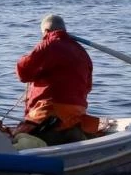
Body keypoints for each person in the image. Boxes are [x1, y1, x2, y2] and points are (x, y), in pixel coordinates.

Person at [14, 14, 98, 145]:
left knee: (17, 137)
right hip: (76, 114)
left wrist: (25, 58)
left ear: (46, 31)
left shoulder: (47, 45)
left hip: (49, 114)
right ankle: (72, 133)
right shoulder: (83, 53)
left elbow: (23, 73)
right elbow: (88, 87)